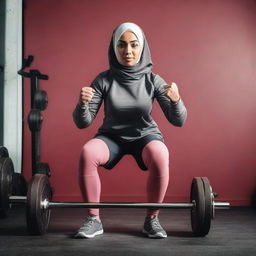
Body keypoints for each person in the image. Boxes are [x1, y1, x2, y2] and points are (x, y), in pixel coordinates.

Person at [72, 22, 187, 239]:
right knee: (88, 152)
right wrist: (82, 105)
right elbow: (83, 123)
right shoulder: (103, 80)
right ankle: (93, 220)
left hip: (145, 136)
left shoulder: (153, 80)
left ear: (142, 47)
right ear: (114, 48)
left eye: (134, 45)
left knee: (160, 153)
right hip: (111, 137)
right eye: (122, 45)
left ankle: (152, 220)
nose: (128, 51)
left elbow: (178, 120)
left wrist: (176, 101)